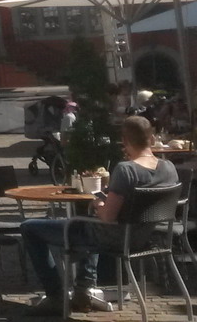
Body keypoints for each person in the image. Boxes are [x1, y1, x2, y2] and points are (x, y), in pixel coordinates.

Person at [19, 116, 177, 316]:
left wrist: (98, 203)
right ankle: (83, 290)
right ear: (152, 139)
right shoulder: (169, 168)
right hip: (143, 237)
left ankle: (55, 295)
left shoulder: (126, 169)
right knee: (87, 222)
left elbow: (108, 217)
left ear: (125, 141)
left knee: (30, 227)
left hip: (111, 238)